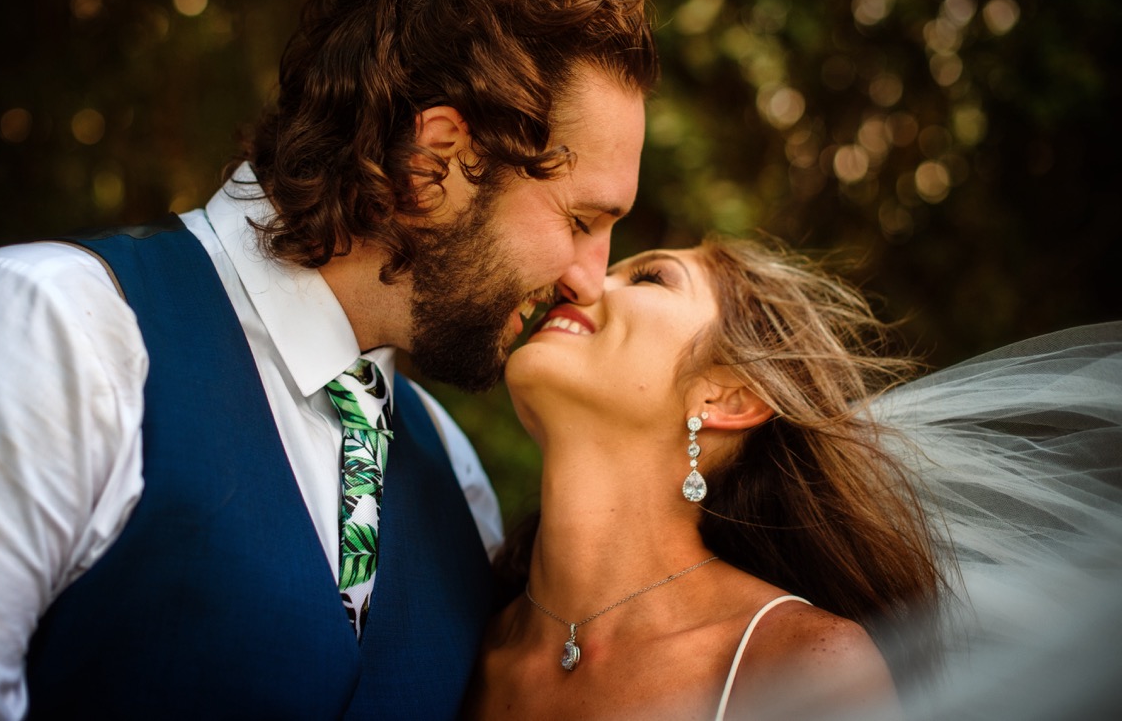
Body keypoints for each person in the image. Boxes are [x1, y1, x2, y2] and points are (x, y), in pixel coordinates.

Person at [0, 0, 658, 720]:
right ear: (434, 162)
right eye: (582, 219)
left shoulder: (453, 474)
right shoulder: (39, 335)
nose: (590, 278)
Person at [464, 238, 1122, 720]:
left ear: (729, 397)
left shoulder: (801, 663)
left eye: (651, 278)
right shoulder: (462, 627)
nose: (580, 282)